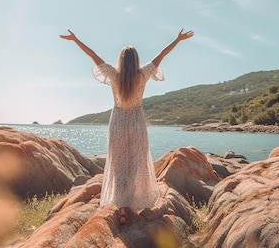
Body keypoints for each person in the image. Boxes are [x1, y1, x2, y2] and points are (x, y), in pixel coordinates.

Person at [60, 28, 194, 225]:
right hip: (137, 122)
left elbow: (92, 55)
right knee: (136, 163)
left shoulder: (114, 75)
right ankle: (131, 203)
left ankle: (122, 209)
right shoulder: (143, 74)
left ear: (121, 60)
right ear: (136, 60)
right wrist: (178, 39)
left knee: (118, 164)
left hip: (118, 122)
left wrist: (75, 39)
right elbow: (162, 54)